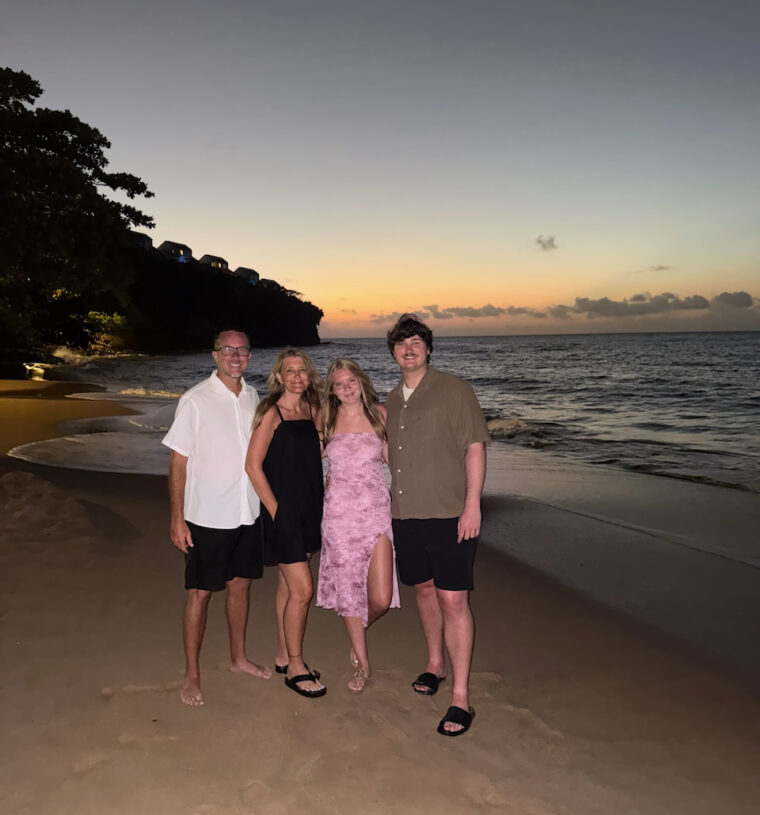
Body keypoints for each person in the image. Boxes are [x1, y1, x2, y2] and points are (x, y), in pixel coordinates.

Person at [385, 313, 489, 736]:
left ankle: (460, 697)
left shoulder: (454, 390)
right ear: (393, 353)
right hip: (405, 515)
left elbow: (475, 447)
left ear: (428, 349)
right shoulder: (392, 400)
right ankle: (435, 664)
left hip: (449, 513)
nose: (408, 348)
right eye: (401, 343)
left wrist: (472, 505)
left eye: (416, 342)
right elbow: (389, 453)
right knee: (424, 590)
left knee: (453, 600)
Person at [163, 327, 271, 707]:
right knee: (200, 592)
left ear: (250, 357)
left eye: (242, 350)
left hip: (247, 511)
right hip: (207, 515)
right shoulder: (195, 400)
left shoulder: (254, 397)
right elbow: (178, 461)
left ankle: (238, 658)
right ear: (215, 355)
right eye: (228, 350)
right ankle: (192, 674)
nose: (235, 356)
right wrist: (177, 518)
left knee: (241, 586)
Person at [245, 348, 326, 698]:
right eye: (290, 371)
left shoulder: (313, 409)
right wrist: (277, 512)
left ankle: (282, 654)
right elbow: (252, 466)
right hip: (284, 512)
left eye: (302, 370)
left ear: (309, 376)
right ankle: (295, 665)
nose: (297, 376)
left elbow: (318, 451)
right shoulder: (271, 412)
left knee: (288, 585)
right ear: (279, 376)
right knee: (303, 591)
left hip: (311, 508)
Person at [317, 358, 400, 693]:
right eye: (339, 384)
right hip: (338, 517)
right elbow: (307, 458)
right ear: (332, 390)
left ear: (362, 382)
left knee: (380, 597)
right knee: (350, 589)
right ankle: (363, 666)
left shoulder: (380, 414)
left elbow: (396, 461)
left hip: (377, 512)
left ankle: (357, 631)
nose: (346, 388)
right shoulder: (326, 419)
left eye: (351, 381)